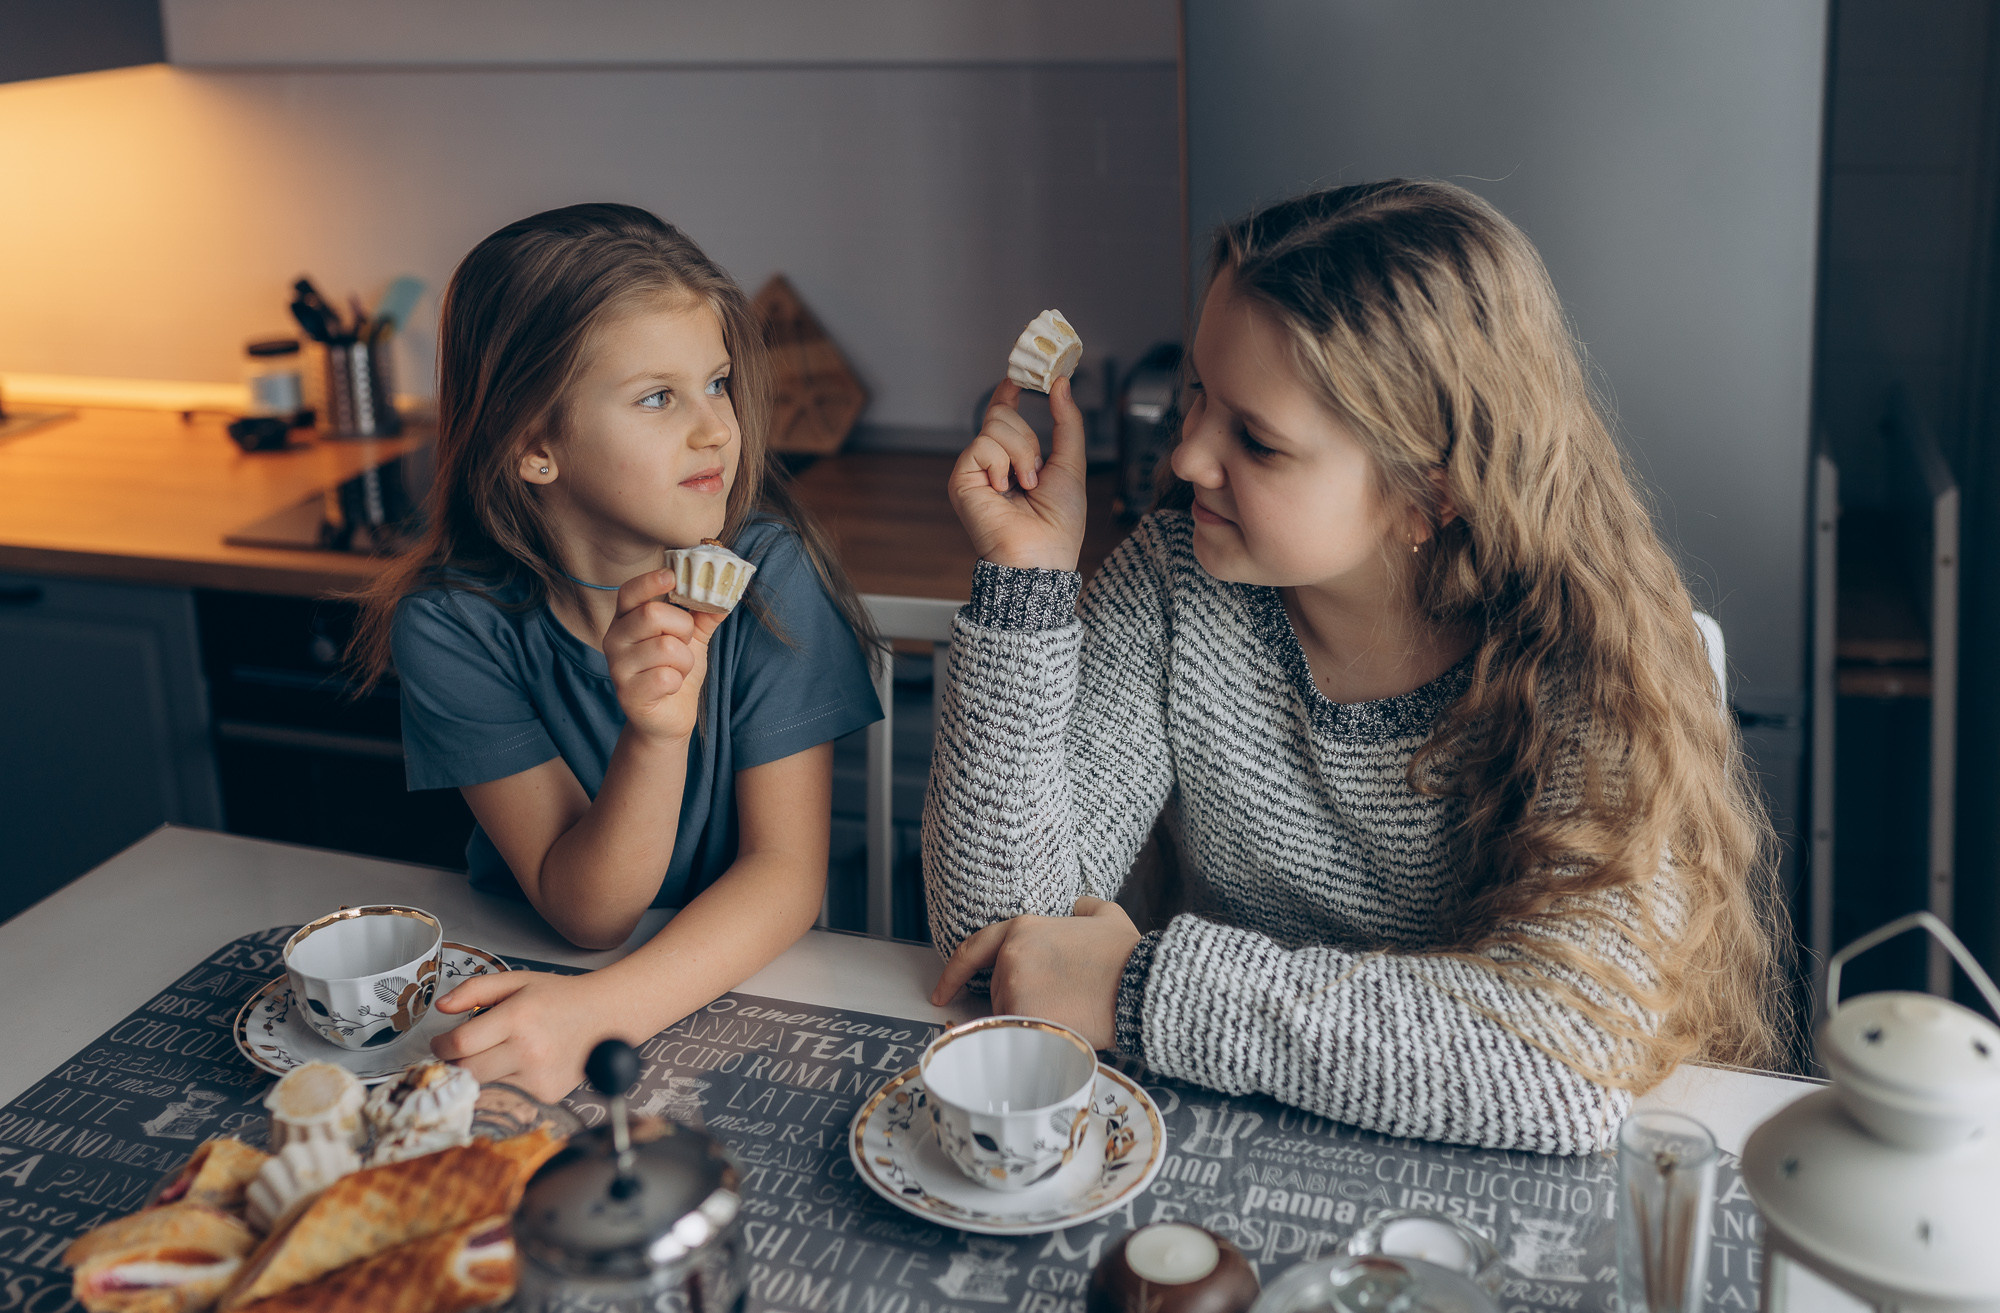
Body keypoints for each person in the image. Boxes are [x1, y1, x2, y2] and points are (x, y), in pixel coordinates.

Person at [922, 180, 1791, 1154]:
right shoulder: (1174, 587)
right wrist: (1025, 584)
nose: (1186, 457)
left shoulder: (1586, 651)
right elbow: (994, 941)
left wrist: (1140, 986)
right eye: (1197, 393)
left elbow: (1561, 1058)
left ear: (1429, 494)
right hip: (1222, 1135)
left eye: (1255, 439)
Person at [350, 203, 882, 1102]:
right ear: (534, 446)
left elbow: (787, 873)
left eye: (716, 382)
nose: (717, 427)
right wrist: (656, 735)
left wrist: (602, 1012)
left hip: (737, 987)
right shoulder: (453, 625)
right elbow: (588, 913)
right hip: (537, 979)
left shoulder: (765, 572)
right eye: (657, 397)